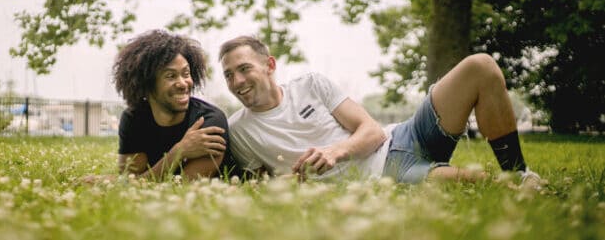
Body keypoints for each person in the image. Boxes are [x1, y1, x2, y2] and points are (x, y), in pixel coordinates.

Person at [219, 35, 542, 186]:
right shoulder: (240, 130)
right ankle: (514, 184)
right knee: (485, 185)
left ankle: (518, 170)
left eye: (244, 69)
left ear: (270, 65)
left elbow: (371, 131)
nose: (237, 81)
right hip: (388, 174)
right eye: (229, 75)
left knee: (481, 67)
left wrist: (336, 152)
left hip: (404, 135)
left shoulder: (311, 85)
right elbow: (257, 182)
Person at [112, 29, 238, 181]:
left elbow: (184, 185)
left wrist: (177, 152)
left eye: (186, 74)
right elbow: (131, 179)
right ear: (147, 84)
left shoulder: (209, 120)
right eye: (171, 76)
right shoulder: (133, 118)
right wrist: (180, 151)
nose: (183, 83)